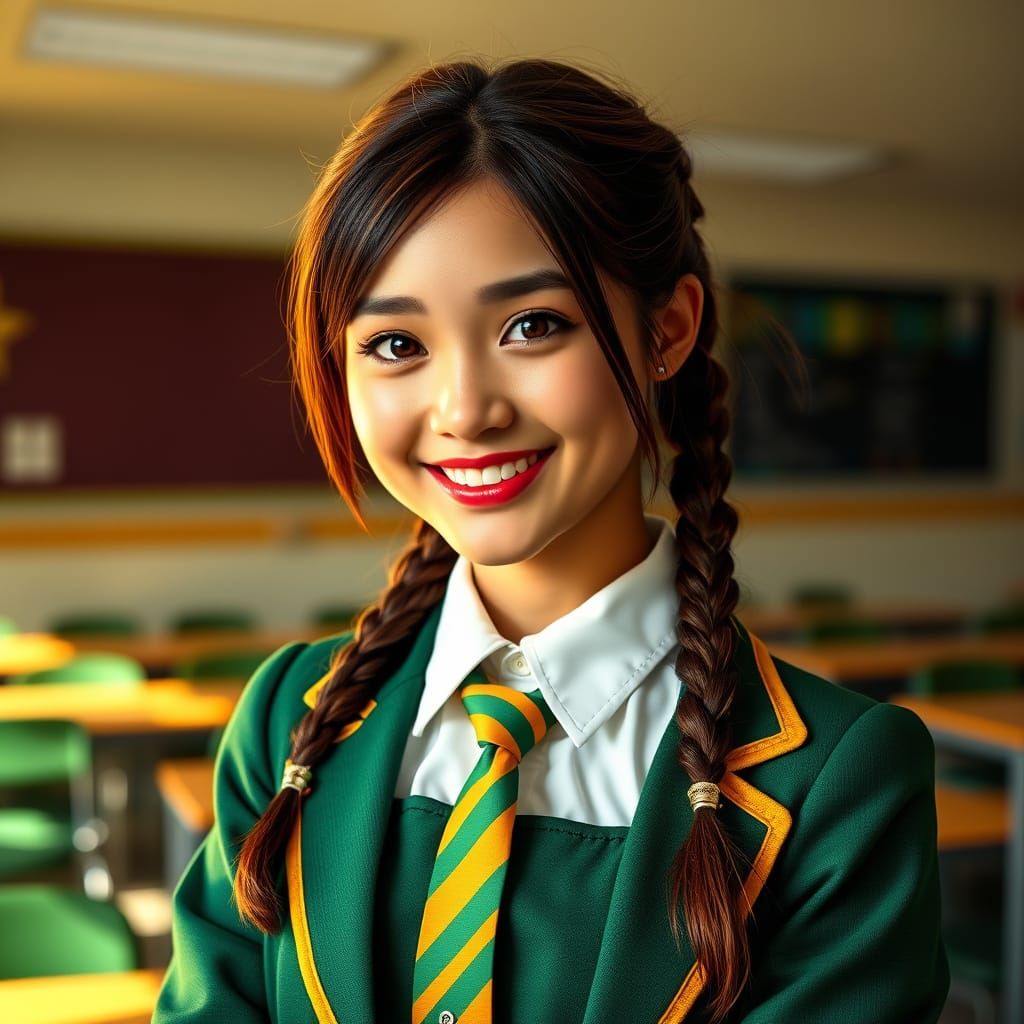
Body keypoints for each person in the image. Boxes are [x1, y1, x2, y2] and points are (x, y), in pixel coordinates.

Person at [154, 57, 949, 1024]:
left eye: (533, 326)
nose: (465, 410)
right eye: (396, 345)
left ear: (668, 331)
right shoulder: (290, 717)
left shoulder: (838, 780)